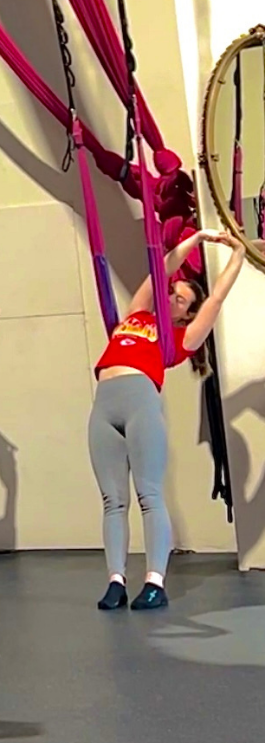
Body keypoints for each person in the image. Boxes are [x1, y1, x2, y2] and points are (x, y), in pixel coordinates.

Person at [91, 229, 244, 612]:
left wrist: (238, 254)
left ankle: (155, 582)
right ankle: (115, 581)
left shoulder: (182, 338)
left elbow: (218, 298)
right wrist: (197, 239)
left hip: (141, 403)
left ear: (186, 312)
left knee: (149, 495)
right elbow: (162, 269)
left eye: (181, 299)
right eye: (172, 292)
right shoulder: (137, 315)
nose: (172, 296)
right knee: (113, 500)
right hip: (104, 404)